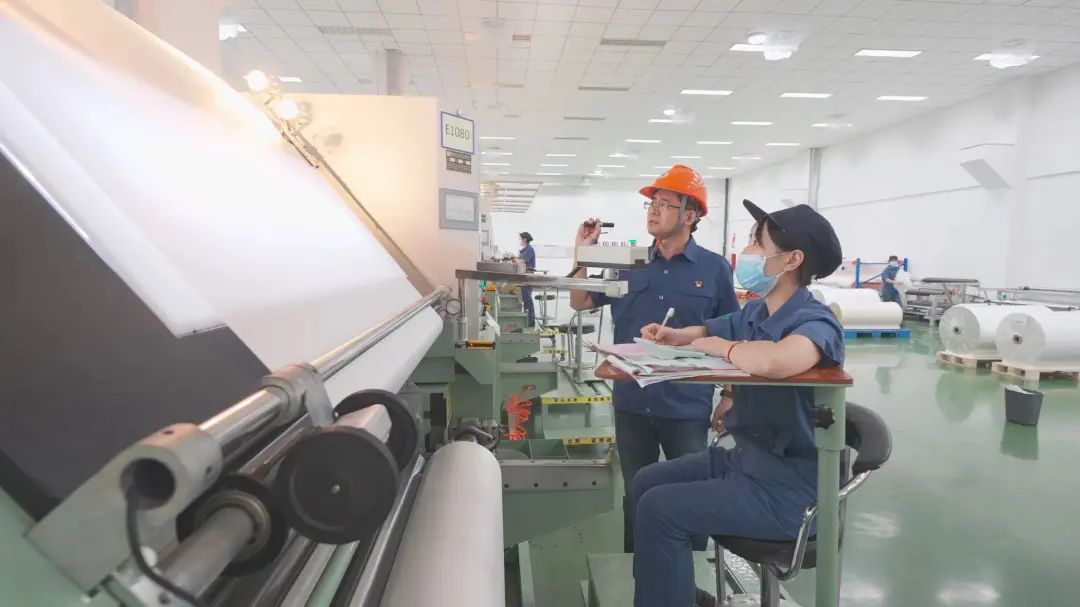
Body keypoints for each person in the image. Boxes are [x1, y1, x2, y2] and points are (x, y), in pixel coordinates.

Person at [634, 200, 845, 607]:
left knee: (660, 509)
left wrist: (724, 348)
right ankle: (671, 591)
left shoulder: (816, 322)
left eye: (756, 242)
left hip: (789, 490)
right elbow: (708, 329)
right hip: (748, 461)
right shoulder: (756, 312)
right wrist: (676, 335)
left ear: (792, 260)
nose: (747, 250)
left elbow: (777, 361)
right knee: (647, 481)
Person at [568, 165, 738, 552]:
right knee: (636, 493)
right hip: (632, 402)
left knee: (691, 493)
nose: (654, 210)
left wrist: (730, 394)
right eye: (651, 203)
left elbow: (731, 332)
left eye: (665, 203)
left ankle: (690, 570)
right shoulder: (630, 262)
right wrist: (582, 251)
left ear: (690, 215)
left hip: (686, 404)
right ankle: (641, 567)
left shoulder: (714, 269)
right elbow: (580, 301)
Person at [517, 232, 537, 327]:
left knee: (527, 299)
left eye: (520, 239)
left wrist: (513, 259)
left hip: (528, 277)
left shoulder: (529, 249)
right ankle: (527, 320)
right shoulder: (525, 249)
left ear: (525, 239)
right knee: (526, 299)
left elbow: (522, 261)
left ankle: (530, 322)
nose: (519, 240)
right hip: (524, 277)